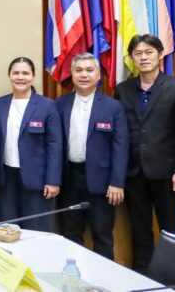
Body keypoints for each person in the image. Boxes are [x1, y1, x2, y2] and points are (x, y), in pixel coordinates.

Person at [114, 34, 175, 272]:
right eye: (138, 53)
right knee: (139, 230)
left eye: (149, 52)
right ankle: (142, 276)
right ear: (131, 58)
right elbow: (120, 133)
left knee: (170, 231)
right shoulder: (123, 90)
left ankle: (172, 277)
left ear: (160, 55)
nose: (143, 57)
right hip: (133, 173)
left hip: (166, 173)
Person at [56, 53, 129, 260]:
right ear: (72, 74)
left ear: (98, 75)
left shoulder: (113, 106)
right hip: (69, 179)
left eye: (89, 70)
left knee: (102, 235)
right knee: (70, 234)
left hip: (102, 182)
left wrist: (117, 183)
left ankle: (103, 278)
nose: (84, 75)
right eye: (79, 70)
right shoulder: (60, 104)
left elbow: (120, 147)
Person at [0, 57, 62, 232]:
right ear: (9, 75)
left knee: (36, 230)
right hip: (7, 178)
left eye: (25, 73)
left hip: (37, 180)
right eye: (16, 73)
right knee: (8, 228)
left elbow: (55, 145)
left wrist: (53, 180)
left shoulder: (47, 105)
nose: (20, 77)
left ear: (33, 76)